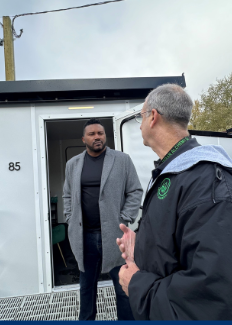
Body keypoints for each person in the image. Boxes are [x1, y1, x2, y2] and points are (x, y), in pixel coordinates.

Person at [114, 83, 232, 319]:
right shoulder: (176, 176)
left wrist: (136, 284)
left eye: (140, 118)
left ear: (153, 117)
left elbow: (218, 303)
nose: (140, 126)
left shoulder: (213, 190)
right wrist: (144, 246)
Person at [63, 119, 143, 321]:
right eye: (92, 134)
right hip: (84, 236)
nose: (97, 137)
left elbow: (135, 190)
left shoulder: (122, 160)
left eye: (100, 133)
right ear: (84, 139)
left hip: (115, 236)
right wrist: (70, 217)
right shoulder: (73, 164)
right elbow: (67, 195)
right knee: (86, 286)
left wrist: (125, 218)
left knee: (122, 284)